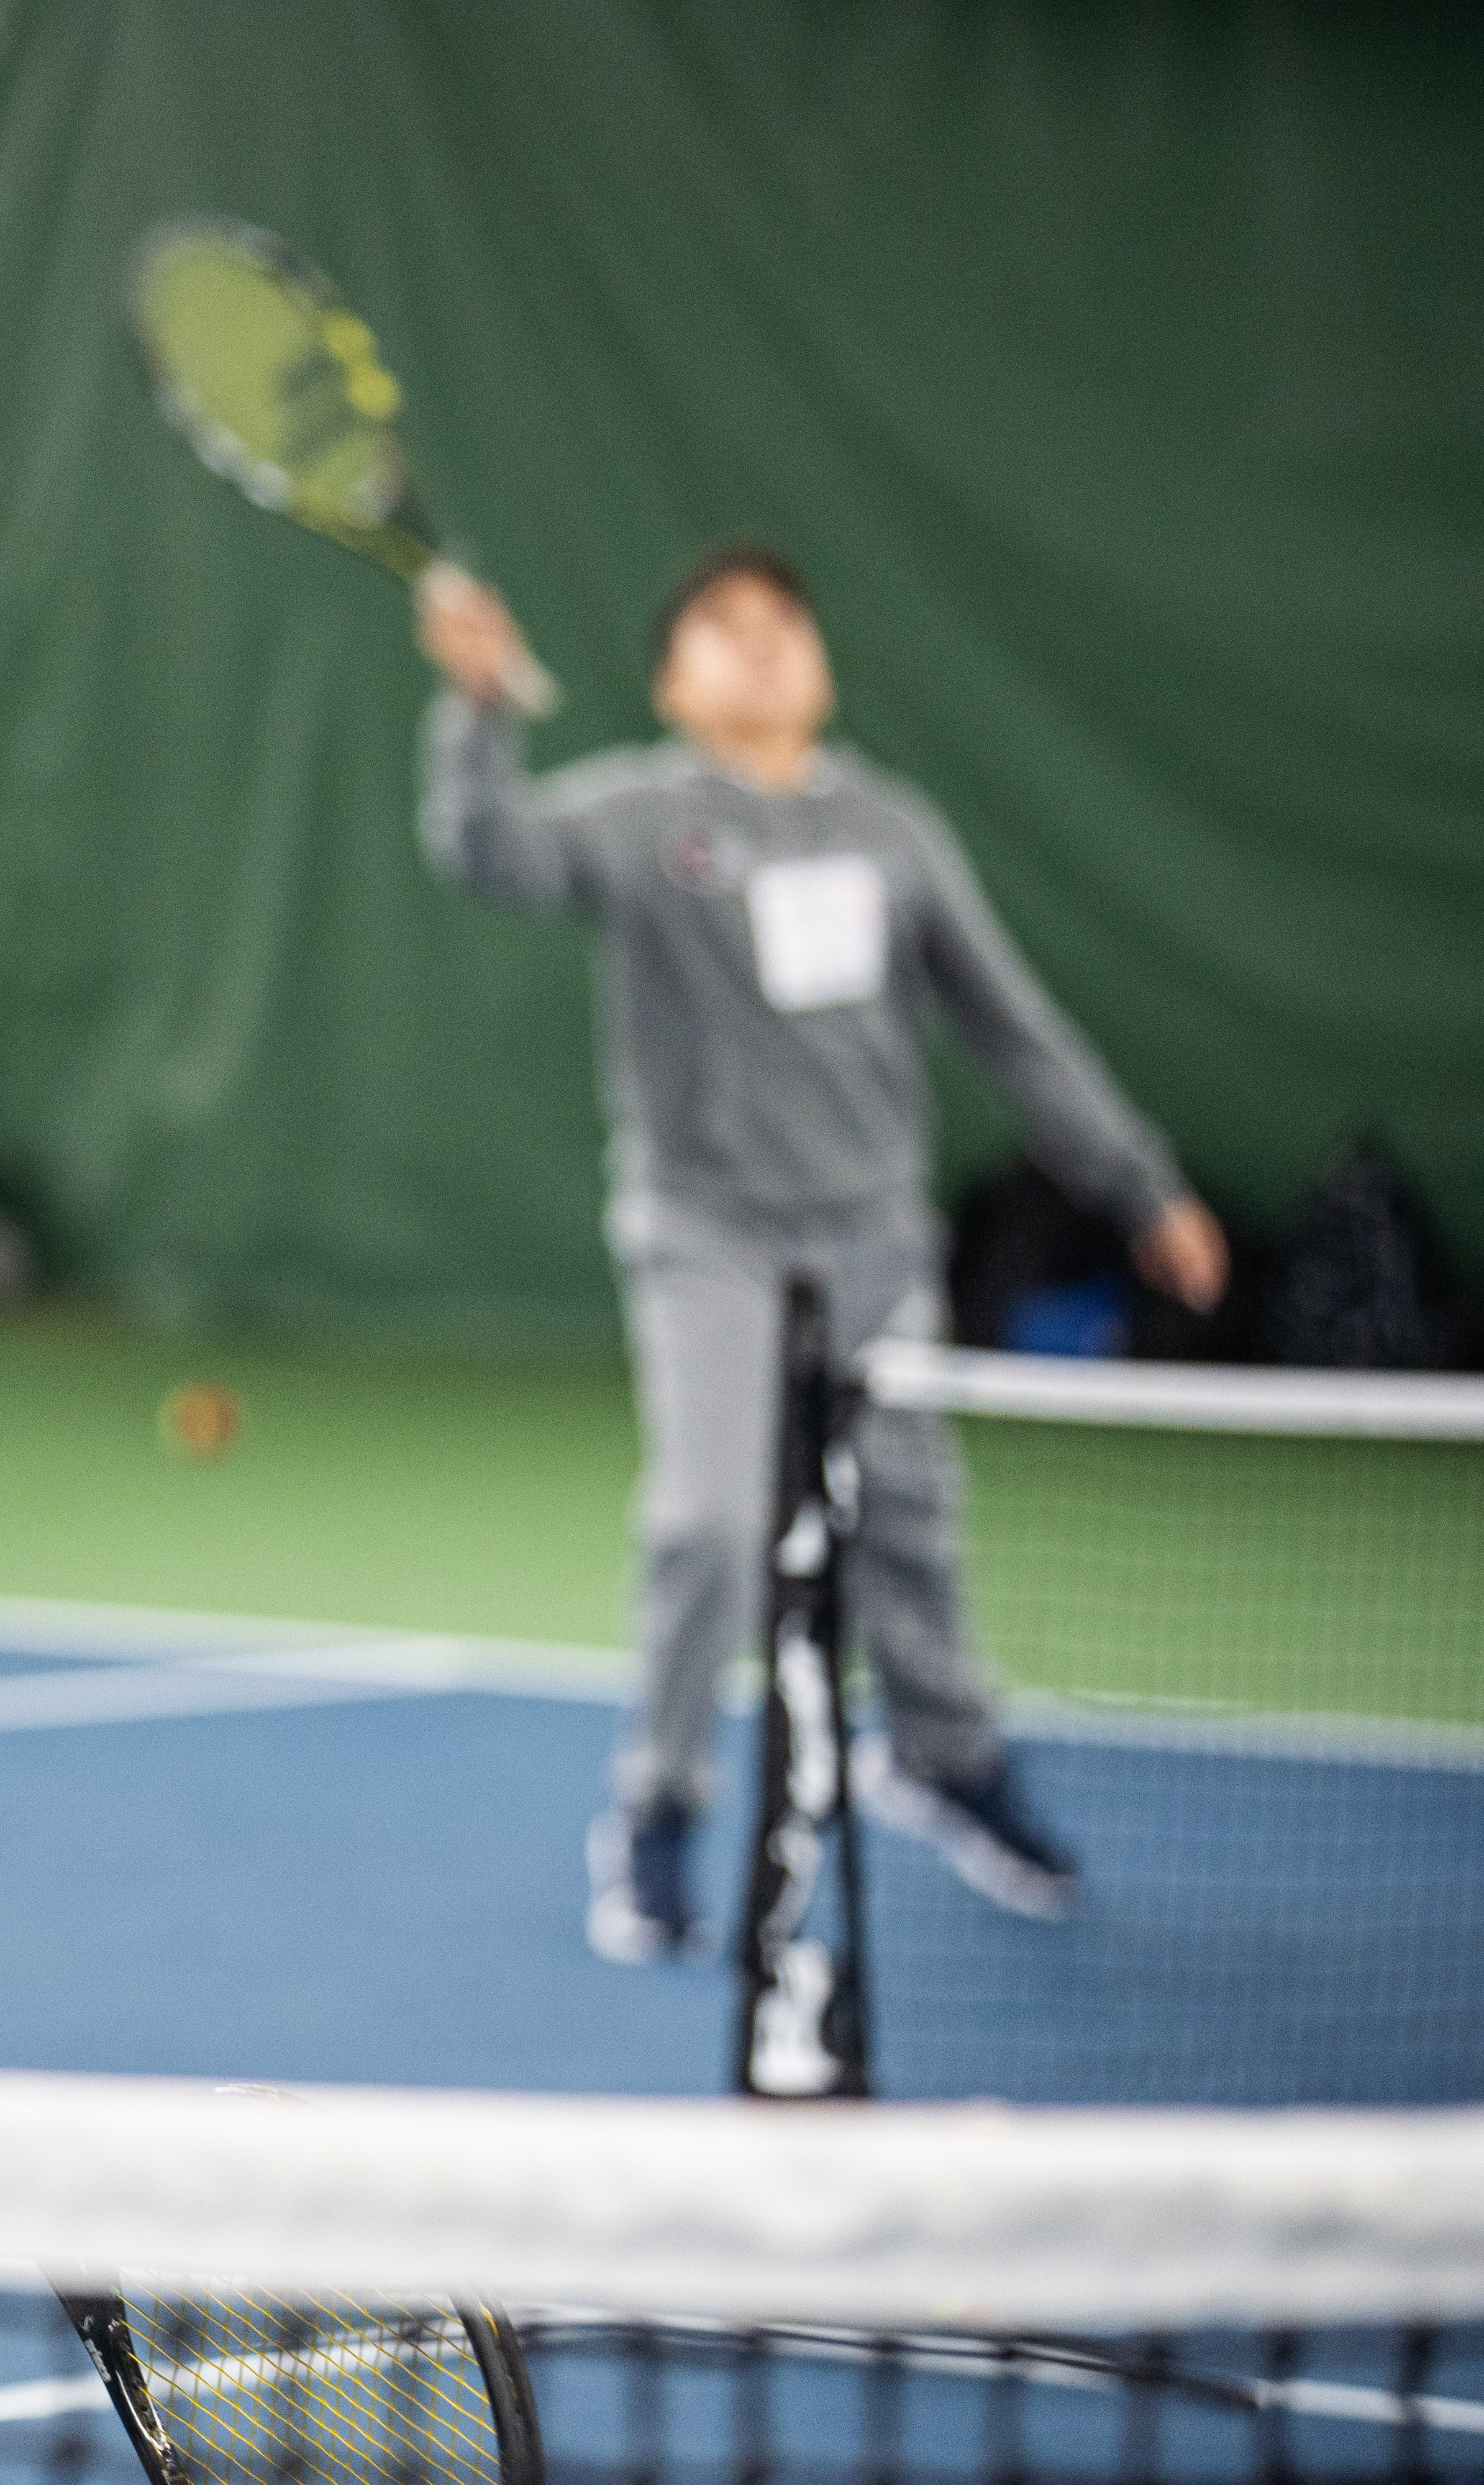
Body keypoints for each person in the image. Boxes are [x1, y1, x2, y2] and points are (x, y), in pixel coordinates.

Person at [416, 544, 1230, 1964]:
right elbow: (488, 851)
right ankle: (659, 1807)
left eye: (785, 625)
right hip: (708, 1239)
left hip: (874, 1243)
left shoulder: (892, 829)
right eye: (724, 630)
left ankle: (948, 1760)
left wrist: (1140, 1183)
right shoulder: (633, 813)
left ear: (821, 664)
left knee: (912, 1522)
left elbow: (1011, 1021)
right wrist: (479, 710)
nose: (762, 647)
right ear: (675, 679)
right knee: (707, 1528)